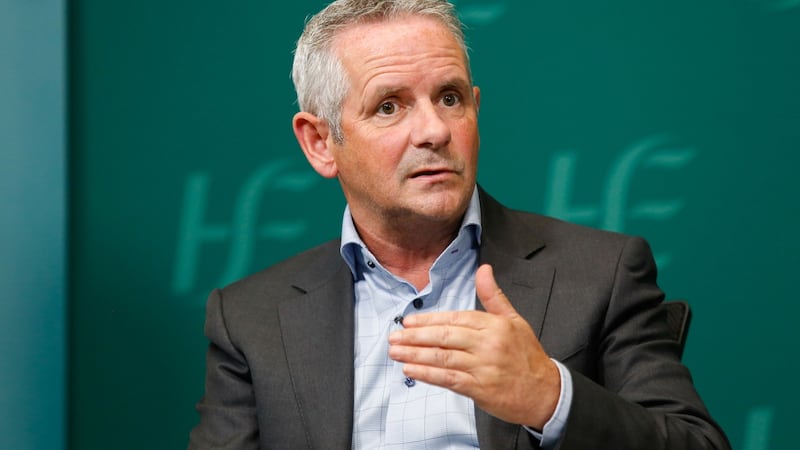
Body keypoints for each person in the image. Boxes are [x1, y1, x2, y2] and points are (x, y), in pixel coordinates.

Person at [188, 1, 731, 449]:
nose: (433, 130)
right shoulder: (251, 320)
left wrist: (550, 397)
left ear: (475, 108)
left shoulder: (601, 274)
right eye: (389, 106)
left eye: (449, 99)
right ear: (320, 142)